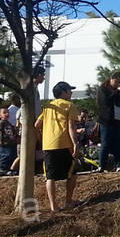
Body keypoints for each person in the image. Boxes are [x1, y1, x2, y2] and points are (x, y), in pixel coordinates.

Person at [34, 81, 80, 212]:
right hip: (65, 144)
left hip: (49, 145)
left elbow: (37, 124)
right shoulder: (70, 105)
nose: (71, 93)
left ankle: (54, 207)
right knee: (72, 173)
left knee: (50, 176)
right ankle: (68, 201)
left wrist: (44, 135)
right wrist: (76, 144)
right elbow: (71, 126)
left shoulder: (48, 107)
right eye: (69, 90)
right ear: (63, 92)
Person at [97, 72, 120, 171]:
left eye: (119, 82)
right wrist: (116, 92)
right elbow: (105, 102)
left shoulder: (118, 92)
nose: (117, 84)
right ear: (111, 79)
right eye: (116, 81)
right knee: (105, 143)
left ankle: (119, 165)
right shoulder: (103, 89)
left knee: (119, 143)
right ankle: (101, 165)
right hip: (107, 121)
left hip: (118, 121)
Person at [0, 106, 17, 175]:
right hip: (4, 143)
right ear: (0, 115)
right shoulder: (1, 123)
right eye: (4, 113)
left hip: (11, 143)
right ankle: (1, 168)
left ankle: (7, 169)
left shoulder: (9, 123)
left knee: (12, 155)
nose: (7, 114)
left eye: (7, 112)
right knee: (6, 155)